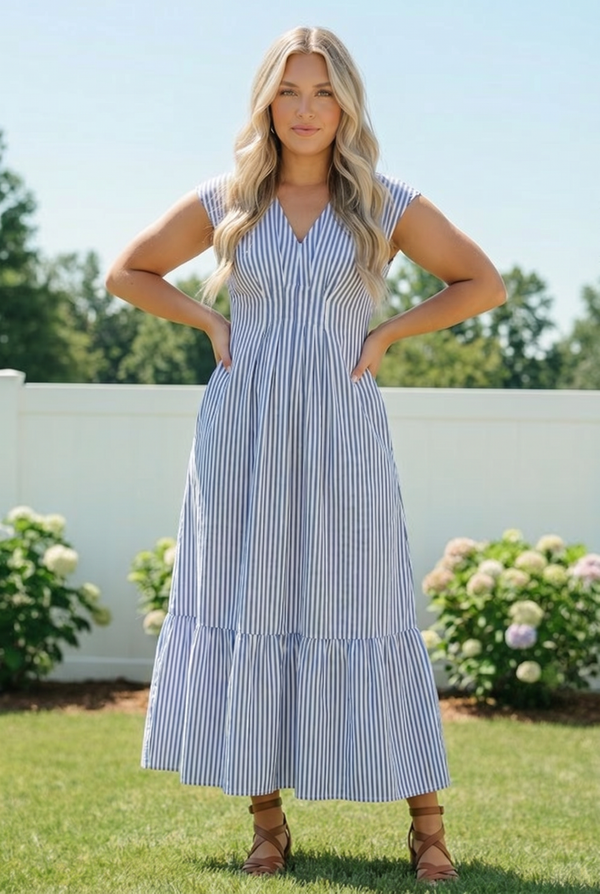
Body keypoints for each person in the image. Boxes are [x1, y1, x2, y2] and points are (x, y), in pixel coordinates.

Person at [106, 25, 506, 884]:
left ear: (346, 104)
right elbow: (127, 273)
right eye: (289, 91)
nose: (306, 108)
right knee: (252, 601)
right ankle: (267, 822)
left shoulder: (382, 203)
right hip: (241, 435)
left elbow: (483, 281)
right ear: (267, 103)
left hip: (341, 432)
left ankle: (428, 825)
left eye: (323, 92)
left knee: (369, 604)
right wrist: (211, 320)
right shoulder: (226, 201)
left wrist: (391, 331)